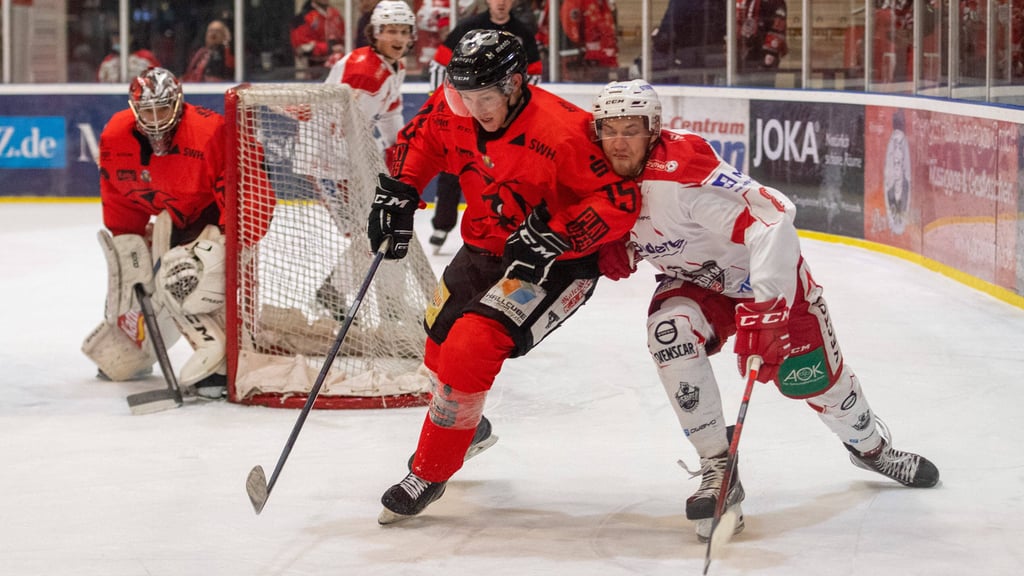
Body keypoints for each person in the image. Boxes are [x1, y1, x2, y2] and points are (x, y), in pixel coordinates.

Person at [590, 79, 939, 542]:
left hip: (765, 278)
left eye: (630, 128)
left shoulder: (680, 176)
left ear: (653, 129)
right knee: (668, 334)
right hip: (700, 284)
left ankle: (871, 448)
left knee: (814, 381)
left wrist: (770, 307)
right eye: (609, 129)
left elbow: (774, 220)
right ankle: (718, 466)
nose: (618, 140)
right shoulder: (594, 174)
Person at [368, 30, 641, 524]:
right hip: (483, 248)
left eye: (485, 98)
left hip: (553, 264)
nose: (473, 109)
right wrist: (400, 191)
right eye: (464, 96)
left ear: (515, 84)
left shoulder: (564, 130)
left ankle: (430, 470)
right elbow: (422, 142)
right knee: (437, 341)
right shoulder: (455, 105)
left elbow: (620, 199)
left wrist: (559, 234)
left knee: (470, 347)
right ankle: (467, 429)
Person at [81, 67, 272, 399]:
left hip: (216, 220)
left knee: (190, 280)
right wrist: (129, 240)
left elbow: (249, 190)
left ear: (179, 104)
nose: (155, 119)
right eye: (147, 110)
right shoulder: (116, 136)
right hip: (172, 218)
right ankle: (137, 347)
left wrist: (230, 241)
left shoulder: (211, 132)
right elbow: (120, 194)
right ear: (134, 108)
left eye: (163, 108)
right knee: (137, 277)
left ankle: (219, 360)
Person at [314, 0, 417, 319]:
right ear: (375, 34)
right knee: (371, 233)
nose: (398, 38)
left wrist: (399, 156)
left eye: (403, 31)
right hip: (331, 165)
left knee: (389, 227)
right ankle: (334, 292)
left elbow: (390, 115)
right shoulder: (362, 68)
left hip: (356, 164)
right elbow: (335, 125)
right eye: (390, 31)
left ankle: (389, 301)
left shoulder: (393, 66)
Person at [425, 0, 544, 253]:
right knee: (454, 165)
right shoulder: (469, 27)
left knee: (501, 172)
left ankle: (504, 228)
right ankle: (442, 224)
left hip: (504, 114)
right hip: (467, 109)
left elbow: (533, 72)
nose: (501, 2)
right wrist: (444, 102)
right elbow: (439, 64)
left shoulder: (522, 32)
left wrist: (518, 106)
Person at [647, 0, 726, 83]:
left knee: (693, 88)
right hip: (716, 52)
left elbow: (668, 29)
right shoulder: (720, 2)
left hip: (691, 53)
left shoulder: (681, 2)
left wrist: (660, 39)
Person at [558, 0, 619, 82]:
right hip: (585, 64)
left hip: (605, 61)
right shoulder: (574, 2)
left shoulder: (605, 3)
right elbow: (571, 34)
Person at [291, 0, 346, 80]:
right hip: (314, 71)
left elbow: (344, 37)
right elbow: (302, 48)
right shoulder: (303, 17)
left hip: (336, 68)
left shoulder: (335, 14)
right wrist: (329, 48)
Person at [737, 0, 788, 79]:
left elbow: (778, 27)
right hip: (744, 55)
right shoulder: (742, 2)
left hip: (763, 55)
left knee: (763, 84)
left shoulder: (776, 2)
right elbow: (737, 23)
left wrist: (769, 55)